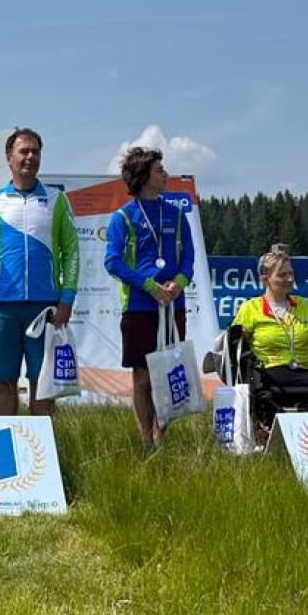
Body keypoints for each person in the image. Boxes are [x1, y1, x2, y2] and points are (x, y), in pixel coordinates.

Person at [0, 128, 79, 417]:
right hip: (1, 307)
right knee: (4, 380)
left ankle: (40, 446)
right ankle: (6, 442)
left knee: (42, 383)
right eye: (24, 151)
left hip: (44, 307)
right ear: (9, 157)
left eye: (35, 151)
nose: (30, 156)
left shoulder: (57, 200)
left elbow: (71, 252)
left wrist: (67, 298)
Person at [104, 145, 195, 451]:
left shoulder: (177, 214)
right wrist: (147, 285)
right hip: (139, 306)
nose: (165, 174)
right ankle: (146, 442)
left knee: (169, 374)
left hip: (172, 305)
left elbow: (189, 258)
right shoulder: (123, 217)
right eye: (159, 170)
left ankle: (162, 437)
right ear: (143, 176)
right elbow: (113, 262)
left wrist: (179, 283)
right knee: (142, 377)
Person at [232, 247, 308, 434]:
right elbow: (235, 345)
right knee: (271, 380)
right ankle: (267, 427)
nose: (289, 279)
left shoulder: (304, 306)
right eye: (282, 275)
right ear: (266, 278)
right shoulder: (250, 309)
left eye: (291, 273)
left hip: (306, 368)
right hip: (270, 369)